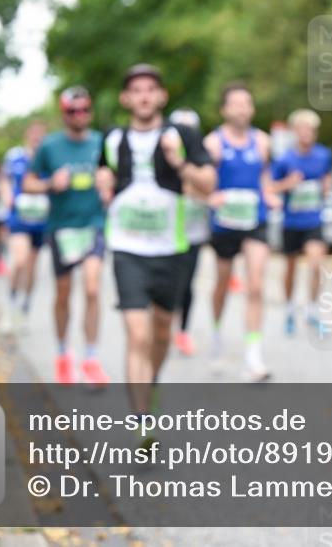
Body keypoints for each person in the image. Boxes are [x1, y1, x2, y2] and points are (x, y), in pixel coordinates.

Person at [96, 65, 216, 424]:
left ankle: (153, 382)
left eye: (151, 88)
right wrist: (103, 183)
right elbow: (105, 179)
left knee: (162, 330)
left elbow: (208, 182)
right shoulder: (113, 139)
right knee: (137, 332)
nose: (144, 95)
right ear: (126, 98)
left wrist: (179, 162)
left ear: (162, 96)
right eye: (137, 90)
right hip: (127, 249)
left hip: (171, 249)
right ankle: (141, 419)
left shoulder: (182, 135)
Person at [23, 86, 109, 387]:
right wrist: (49, 184)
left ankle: (91, 358)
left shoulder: (102, 143)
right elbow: (28, 183)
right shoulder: (49, 146)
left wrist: (108, 184)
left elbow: (117, 178)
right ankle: (62, 355)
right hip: (62, 228)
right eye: (74, 111)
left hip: (94, 224)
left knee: (93, 288)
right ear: (64, 114)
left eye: (86, 110)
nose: (80, 115)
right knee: (63, 294)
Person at [204, 83, 280, 382]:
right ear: (224, 109)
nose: (242, 108)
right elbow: (204, 181)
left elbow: (264, 177)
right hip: (224, 223)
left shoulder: (262, 142)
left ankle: (253, 356)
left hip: (254, 220)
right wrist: (211, 196)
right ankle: (216, 333)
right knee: (222, 283)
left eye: (246, 103)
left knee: (257, 285)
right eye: (235, 103)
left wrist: (270, 193)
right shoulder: (214, 143)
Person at [271, 109, 332, 335]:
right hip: (291, 222)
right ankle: (289, 310)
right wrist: (287, 184)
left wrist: (326, 186)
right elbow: (270, 187)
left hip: (314, 220)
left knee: (317, 264)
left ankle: (313, 310)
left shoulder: (323, 155)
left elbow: (327, 176)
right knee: (290, 268)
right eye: (303, 129)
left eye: (311, 130)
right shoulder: (285, 159)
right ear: (295, 132)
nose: (307, 133)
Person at [0, 121, 50, 333]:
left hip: (40, 220)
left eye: (41, 134)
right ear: (28, 134)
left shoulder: (48, 158)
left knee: (31, 267)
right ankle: (10, 308)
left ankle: (25, 309)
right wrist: (7, 196)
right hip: (19, 217)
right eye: (34, 133)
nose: (37, 137)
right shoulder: (15, 156)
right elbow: (4, 179)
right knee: (19, 261)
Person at [168, 107, 212, 357]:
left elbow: (207, 189)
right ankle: (163, 325)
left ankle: (183, 331)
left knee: (187, 284)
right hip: (164, 234)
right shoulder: (161, 156)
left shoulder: (201, 158)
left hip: (192, 231)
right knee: (166, 284)